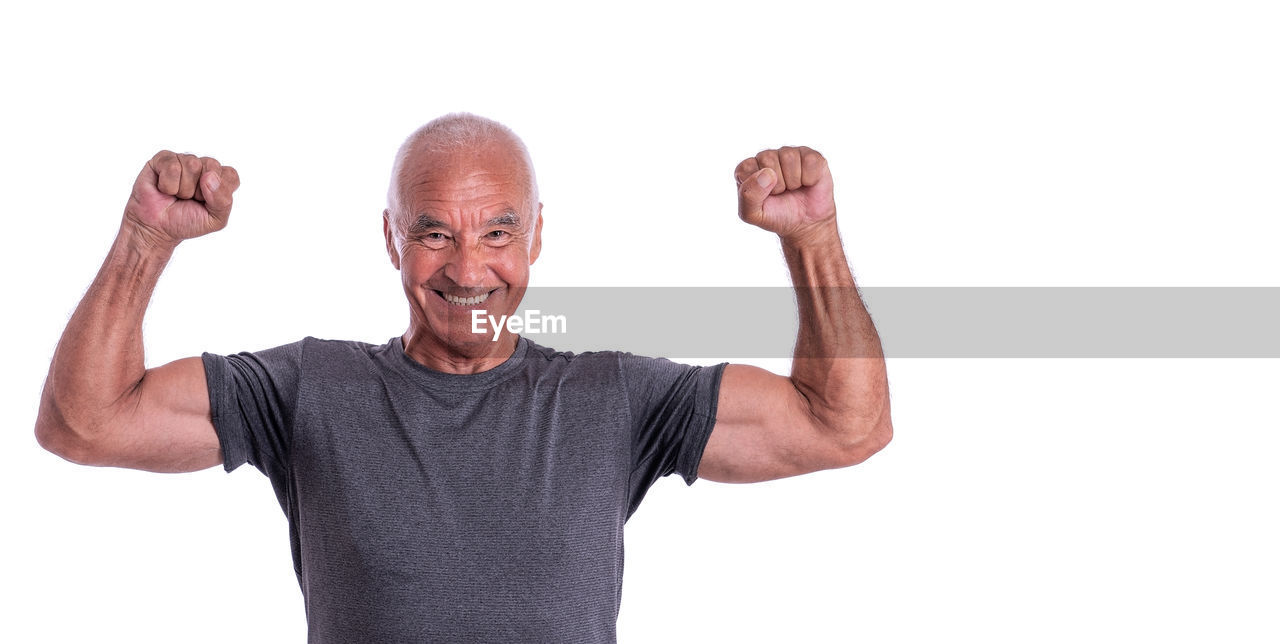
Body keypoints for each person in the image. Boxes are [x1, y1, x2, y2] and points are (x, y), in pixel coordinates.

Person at [35, 113, 892, 642]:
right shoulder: (310, 390)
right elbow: (85, 423)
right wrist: (146, 241)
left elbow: (844, 426)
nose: (469, 268)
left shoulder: (615, 398)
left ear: (538, 239)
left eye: (497, 233)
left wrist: (810, 239)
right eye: (435, 232)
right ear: (391, 241)